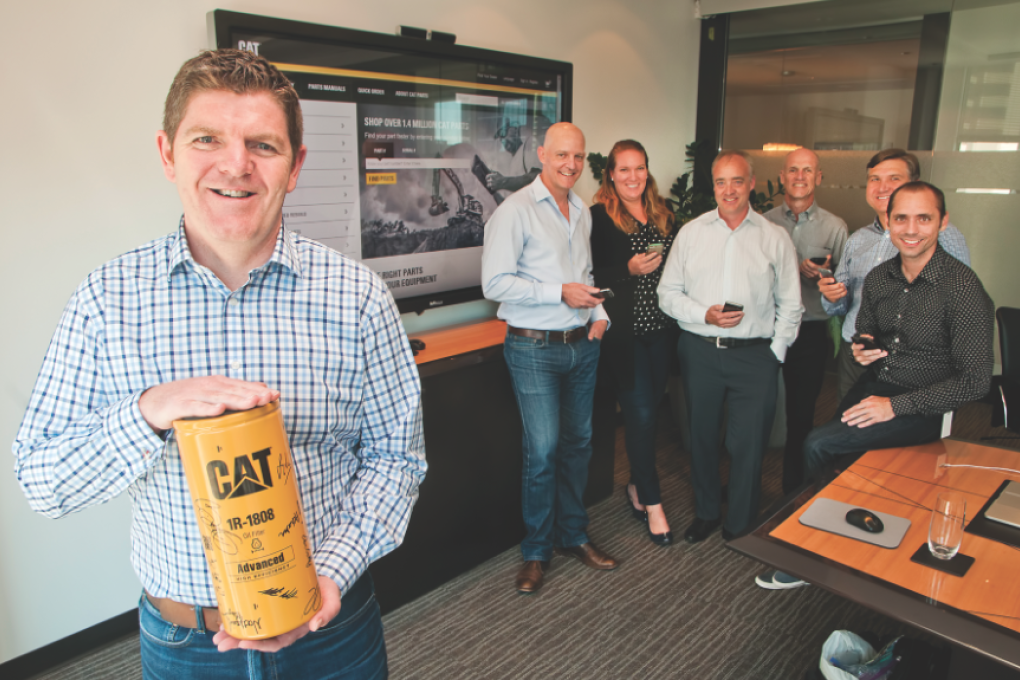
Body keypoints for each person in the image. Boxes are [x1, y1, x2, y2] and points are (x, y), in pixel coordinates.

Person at [13, 50, 425, 679]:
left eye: (263, 144)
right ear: (167, 153)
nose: (236, 164)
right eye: (206, 139)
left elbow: (396, 460)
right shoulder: (105, 301)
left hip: (330, 630)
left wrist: (328, 572)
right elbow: (43, 481)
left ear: (295, 166)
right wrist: (147, 413)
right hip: (185, 646)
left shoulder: (358, 297)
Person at [756, 181, 993, 590]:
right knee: (838, 454)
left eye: (924, 218)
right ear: (889, 220)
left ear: (943, 222)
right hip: (876, 383)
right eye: (901, 218)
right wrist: (865, 348)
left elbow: (976, 381)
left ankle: (814, 551)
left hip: (922, 404)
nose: (911, 229)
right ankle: (833, 537)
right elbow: (866, 329)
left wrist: (894, 407)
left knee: (820, 444)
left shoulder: (962, 287)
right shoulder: (882, 276)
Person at [482, 121, 617, 595]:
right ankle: (537, 552)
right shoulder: (515, 210)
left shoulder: (581, 210)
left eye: (578, 156)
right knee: (542, 452)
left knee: (579, 446)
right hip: (533, 348)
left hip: (582, 345)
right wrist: (559, 292)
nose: (571, 164)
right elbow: (494, 283)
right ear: (542, 154)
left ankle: (573, 536)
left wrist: (599, 313)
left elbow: (585, 273)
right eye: (562, 155)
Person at [658, 150, 803, 543]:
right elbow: (667, 294)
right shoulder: (691, 234)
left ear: (751, 183)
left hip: (755, 356)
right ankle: (706, 512)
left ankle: (740, 523)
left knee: (748, 444)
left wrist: (776, 353)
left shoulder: (774, 237)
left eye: (737, 180)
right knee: (701, 439)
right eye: (721, 182)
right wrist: (704, 314)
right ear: (713, 186)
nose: (729, 190)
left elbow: (791, 303)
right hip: (700, 351)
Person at [820, 149, 970, 401]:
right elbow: (841, 306)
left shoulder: (942, 234)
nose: (882, 187)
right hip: (855, 352)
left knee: (901, 424)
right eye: (875, 179)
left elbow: (959, 302)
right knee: (847, 420)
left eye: (894, 178)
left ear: (914, 184)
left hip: (909, 358)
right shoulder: (858, 239)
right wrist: (832, 296)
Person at [590, 140, 679, 545]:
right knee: (641, 415)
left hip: (662, 332)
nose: (632, 176)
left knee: (650, 414)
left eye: (639, 168)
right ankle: (652, 501)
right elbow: (588, 275)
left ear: (647, 170)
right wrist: (627, 269)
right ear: (610, 174)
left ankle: (634, 484)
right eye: (623, 169)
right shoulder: (598, 217)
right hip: (625, 336)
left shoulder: (664, 213)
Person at [764, 149, 848, 494]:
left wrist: (824, 278)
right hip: (766, 331)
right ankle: (746, 488)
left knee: (800, 417)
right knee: (758, 411)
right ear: (782, 176)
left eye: (807, 170)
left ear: (819, 177)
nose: (800, 176)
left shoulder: (835, 226)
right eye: (793, 170)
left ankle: (791, 491)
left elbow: (846, 285)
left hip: (810, 332)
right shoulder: (763, 222)